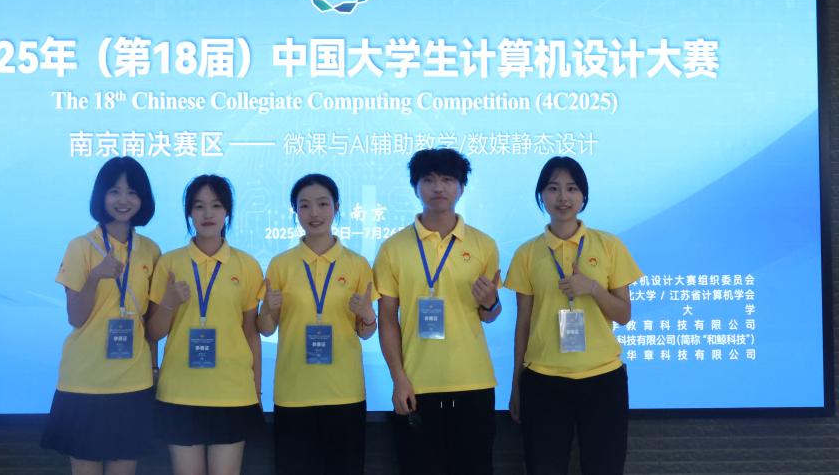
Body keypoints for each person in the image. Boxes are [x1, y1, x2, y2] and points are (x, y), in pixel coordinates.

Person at [504, 156, 642, 475]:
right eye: (553, 188)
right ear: (541, 195)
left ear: (584, 196)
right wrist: (516, 384)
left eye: (572, 188)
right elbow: (523, 324)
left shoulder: (609, 246)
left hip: (603, 378)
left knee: (605, 468)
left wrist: (592, 288)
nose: (563, 197)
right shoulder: (527, 253)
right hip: (543, 381)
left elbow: (624, 315)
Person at [373, 148, 502, 475]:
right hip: (417, 384)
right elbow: (387, 319)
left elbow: (489, 314)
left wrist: (490, 302)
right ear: (415, 187)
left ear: (461, 187)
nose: (438, 187)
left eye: (447, 179)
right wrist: (398, 378)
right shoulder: (393, 248)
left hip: (473, 381)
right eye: (428, 180)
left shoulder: (484, 245)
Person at [41, 156, 161, 475]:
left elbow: (149, 324)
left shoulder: (151, 250)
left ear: (143, 198)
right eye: (114, 191)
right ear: (101, 195)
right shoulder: (80, 246)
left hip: (133, 380)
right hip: (84, 381)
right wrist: (95, 276)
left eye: (132, 192)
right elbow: (75, 317)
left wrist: (154, 367)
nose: (123, 200)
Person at [258, 173, 378, 475]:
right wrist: (269, 309)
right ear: (295, 211)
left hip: (345, 392)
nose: (314, 213)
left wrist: (367, 314)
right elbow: (265, 328)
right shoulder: (281, 264)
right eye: (305, 205)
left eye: (323, 204)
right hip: (293, 391)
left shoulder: (357, 264)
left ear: (337, 207)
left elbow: (366, 332)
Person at [147, 174, 264, 475]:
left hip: (233, 392)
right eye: (199, 206)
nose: (208, 213)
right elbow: (153, 332)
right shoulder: (170, 263)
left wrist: (257, 391)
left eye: (216, 205)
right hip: (180, 391)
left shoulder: (247, 265)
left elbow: (251, 333)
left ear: (227, 211)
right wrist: (170, 301)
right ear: (189, 212)